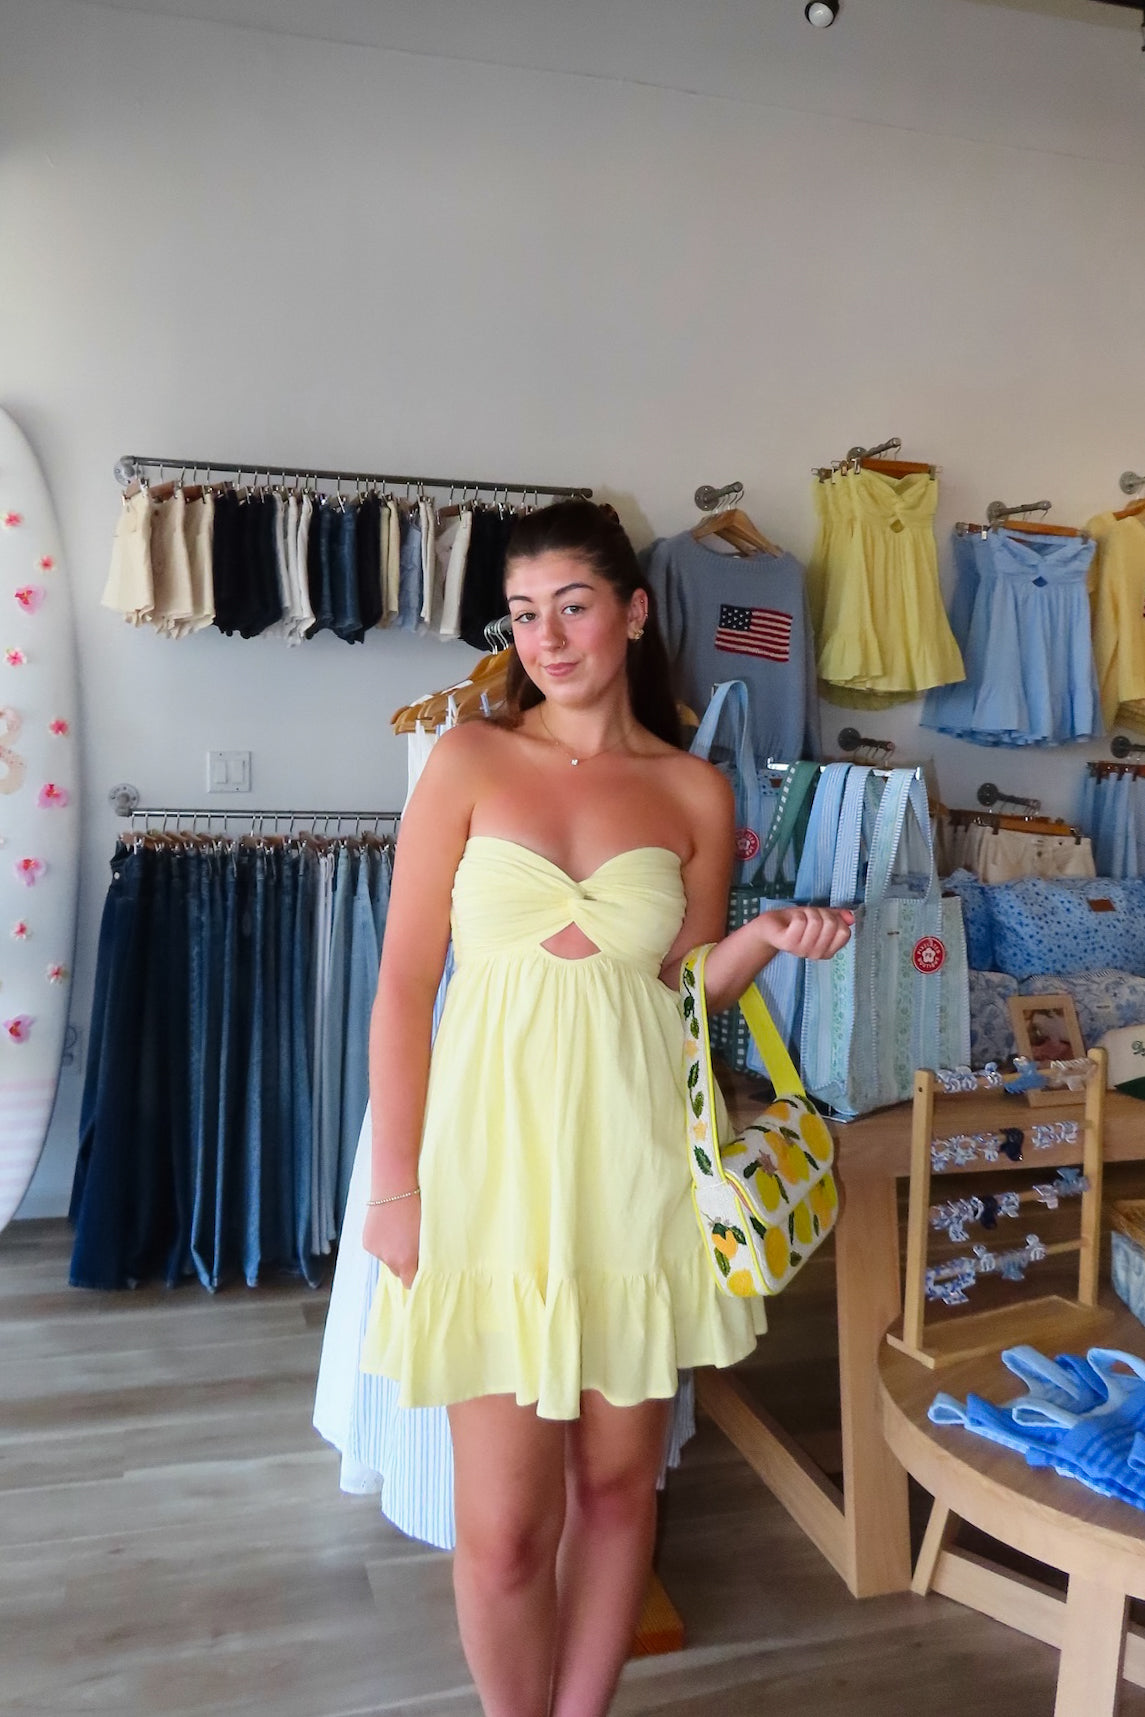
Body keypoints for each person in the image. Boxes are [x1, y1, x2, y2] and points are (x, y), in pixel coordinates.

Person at [360, 500, 852, 1717]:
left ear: (631, 612)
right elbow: (404, 982)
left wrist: (759, 944)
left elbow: (684, 1000)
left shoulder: (691, 791)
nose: (546, 637)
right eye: (523, 614)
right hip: (488, 1172)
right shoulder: (467, 762)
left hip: (636, 1168)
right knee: (502, 1531)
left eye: (571, 606)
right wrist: (395, 1185)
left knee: (621, 1490)